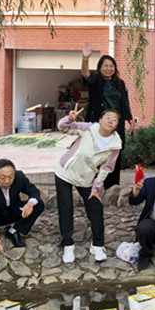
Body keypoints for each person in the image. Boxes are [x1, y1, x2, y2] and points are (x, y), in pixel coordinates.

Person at [55, 104, 122, 263]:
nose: (110, 121)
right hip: (65, 171)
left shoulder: (115, 145)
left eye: (114, 120)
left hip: (85, 177)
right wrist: (69, 119)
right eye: (107, 118)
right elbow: (63, 128)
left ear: (117, 125)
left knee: (96, 207)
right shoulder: (88, 128)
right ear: (100, 120)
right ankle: (68, 244)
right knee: (66, 207)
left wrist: (96, 187)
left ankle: (98, 244)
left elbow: (107, 168)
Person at [81, 43, 136, 190]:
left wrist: (130, 121)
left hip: (116, 124)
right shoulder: (95, 81)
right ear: (100, 68)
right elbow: (86, 74)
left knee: (114, 153)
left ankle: (112, 187)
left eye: (111, 66)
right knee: (97, 152)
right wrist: (85, 59)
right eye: (105, 66)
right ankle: (94, 185)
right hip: (99, 123)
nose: (108, 69)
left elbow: (125, 103)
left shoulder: (119, 83)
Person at [0, 159, 44, 253]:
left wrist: (30, 204)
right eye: (2, 178)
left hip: (12, 210)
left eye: (11, 177)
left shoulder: (19, 177)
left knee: (38, 204)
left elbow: (34, 191)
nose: (7, 181)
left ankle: (13, 231)